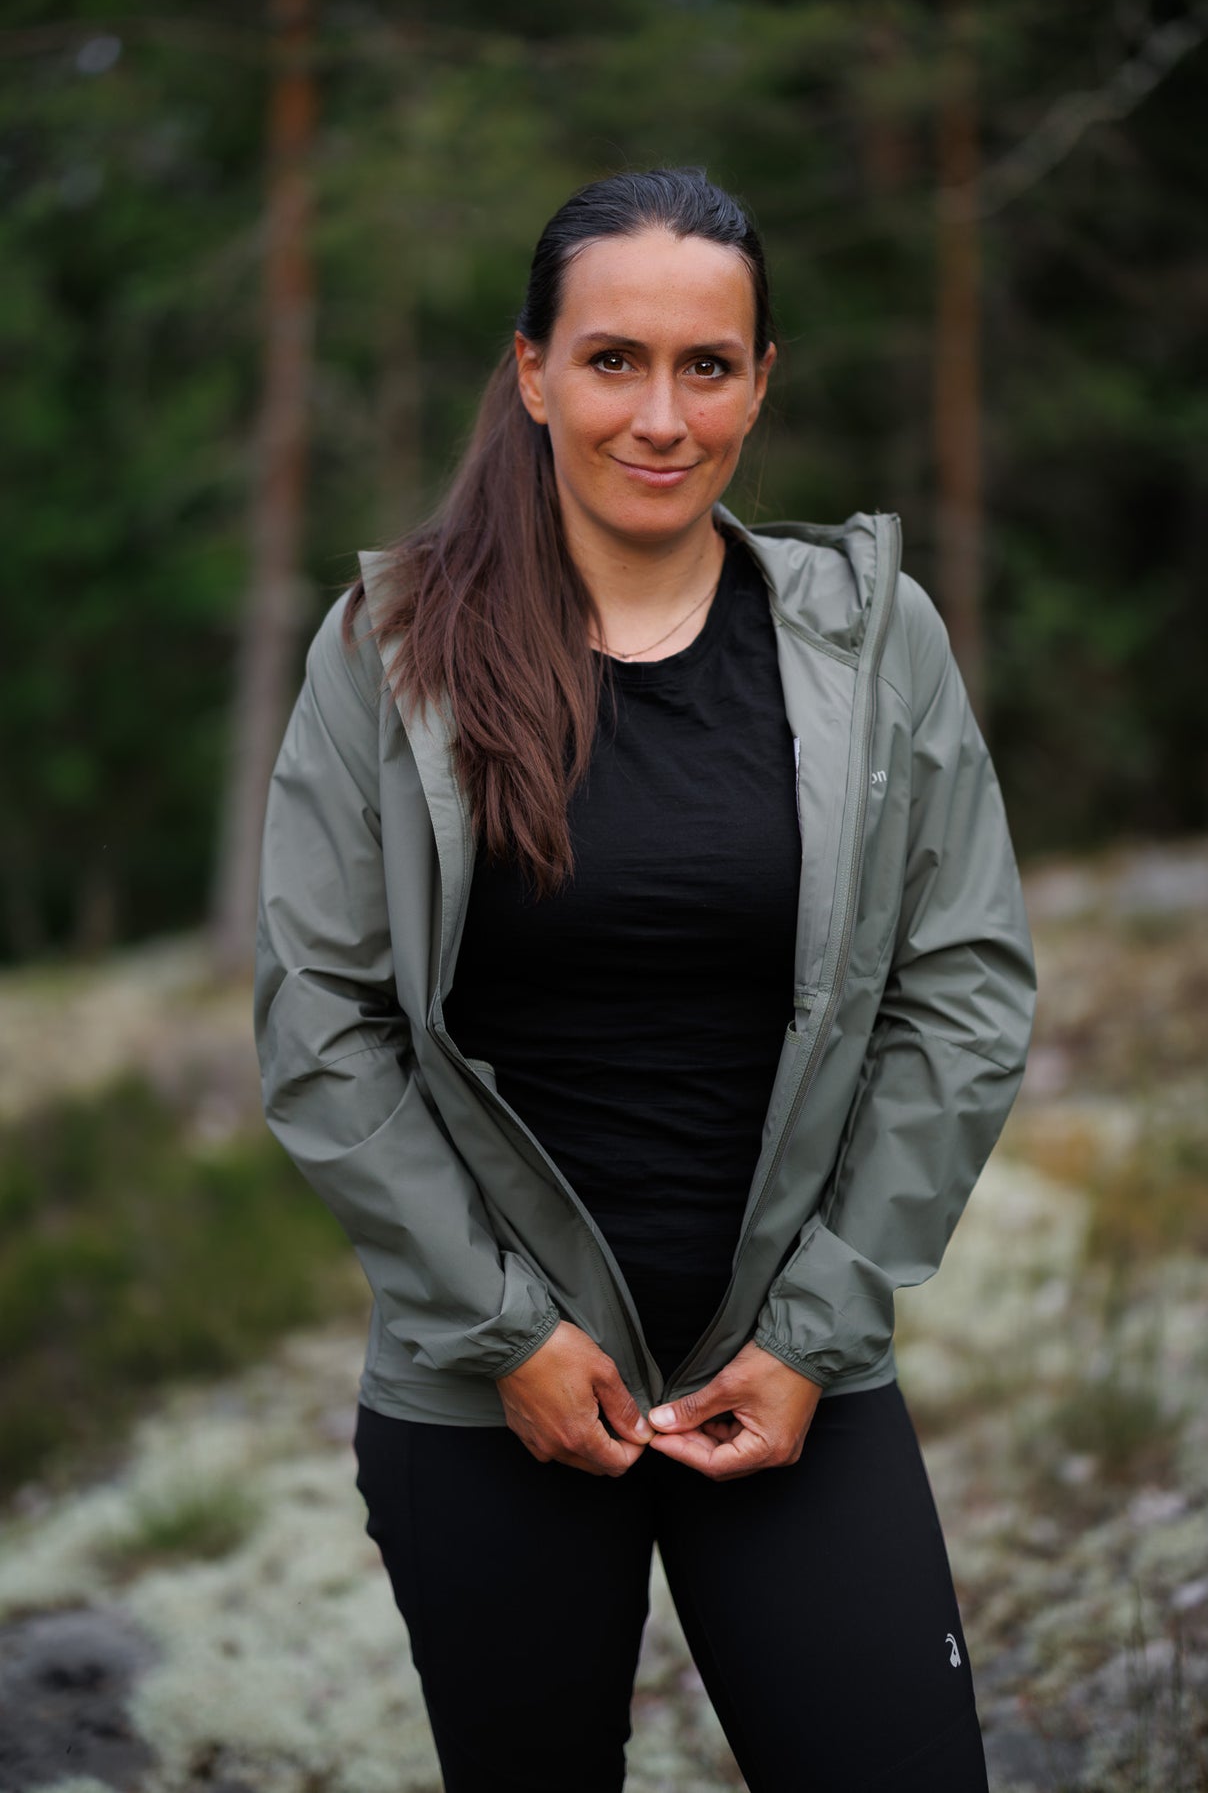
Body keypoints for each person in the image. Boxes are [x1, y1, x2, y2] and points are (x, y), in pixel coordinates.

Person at [253, 167, 1036, 1793]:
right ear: (532, 372)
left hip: (793, 1375)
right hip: (489, 1398)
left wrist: (814, 1328)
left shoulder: (872, 640)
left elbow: (960, 989)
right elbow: (322, 1026)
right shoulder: (389, 648)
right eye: (613, 359)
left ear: (761, 382)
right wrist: (506, 1333)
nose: (661, 416)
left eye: (707, 365)